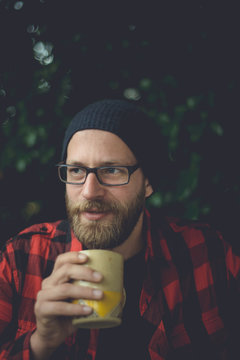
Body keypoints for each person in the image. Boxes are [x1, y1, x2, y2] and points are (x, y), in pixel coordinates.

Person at [0, 99, 240, 360]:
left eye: (112, 170)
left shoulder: (206, 253)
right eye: (77, 170)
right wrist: (41, 343)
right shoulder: (21, 259)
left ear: (148, 182)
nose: (90, 191)